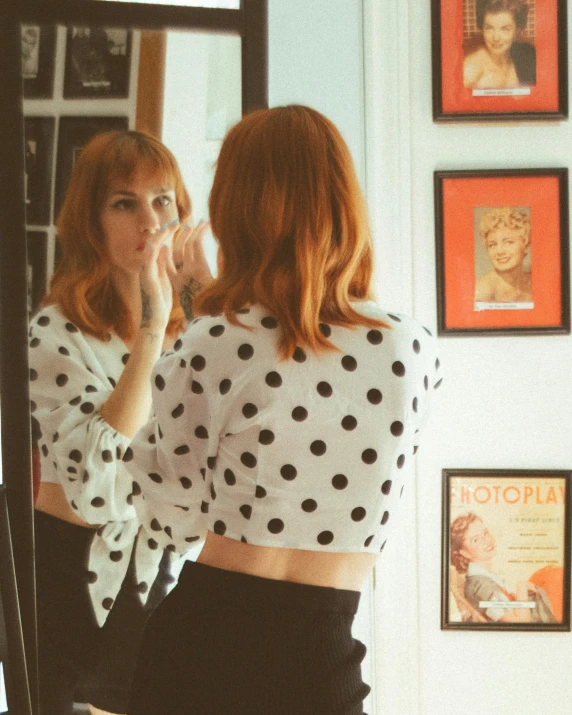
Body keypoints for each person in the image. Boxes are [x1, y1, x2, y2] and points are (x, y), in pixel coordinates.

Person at [125, 104, 443, 715]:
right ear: (343, 200)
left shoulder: (215, 341)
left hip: (199, 651)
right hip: (321, 661)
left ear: (238, 209)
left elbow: (172, 521)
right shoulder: (412, 348)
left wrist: (198, 305)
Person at [28, 130, 210, 715]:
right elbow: (95, 481)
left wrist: (197, 302)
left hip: (163, 573)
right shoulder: (55, 333)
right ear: (91, 222)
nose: (150, 221)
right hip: (70, 576)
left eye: (163, 200)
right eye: (123, 203)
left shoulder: (200, 334)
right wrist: (152, 330)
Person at [450, 512, 557, 623]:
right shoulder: (481, 586)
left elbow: (507, 606)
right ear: (463, 553)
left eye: (485, 533)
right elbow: (521, 621)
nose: (487, 540)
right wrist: (521, 586)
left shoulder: (486, 578)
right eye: (476, 539)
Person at [463, 0, 536, 90]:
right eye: (489, 28)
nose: (496, 38)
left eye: (505, 29)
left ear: (517, 31)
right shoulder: (470, 68)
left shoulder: (526, 55)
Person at [474, 206, 532, 304]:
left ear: (525, 245)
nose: (499, 251)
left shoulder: (534, 282)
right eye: (492, 245)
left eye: (508, 242)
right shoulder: (482, 291)